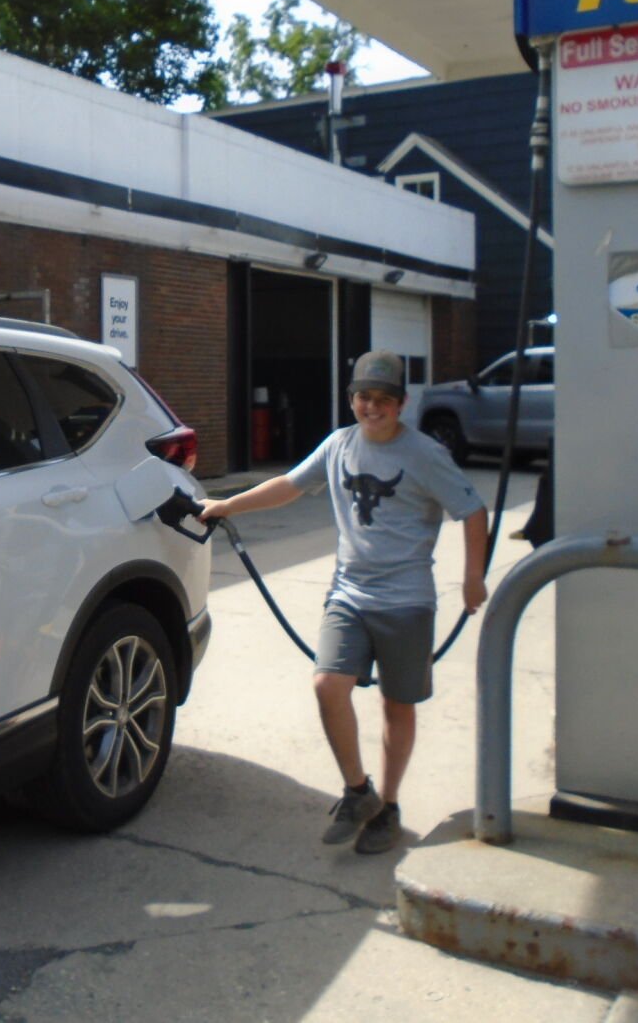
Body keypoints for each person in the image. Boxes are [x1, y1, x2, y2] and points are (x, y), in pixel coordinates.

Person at [199, 351, 489, 854]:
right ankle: (359, 792)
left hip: (406, 601)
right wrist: (225, 505)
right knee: (328, 684)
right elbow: (289, 485)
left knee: (396, 706)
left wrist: (472, 578)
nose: (371, 407)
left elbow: (473, 509)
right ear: (351, 399)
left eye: (382, 399)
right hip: (349, 594)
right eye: (362, 397)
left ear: (400, 403)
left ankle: (389, 807)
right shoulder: (338, 445)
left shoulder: (423, 455)